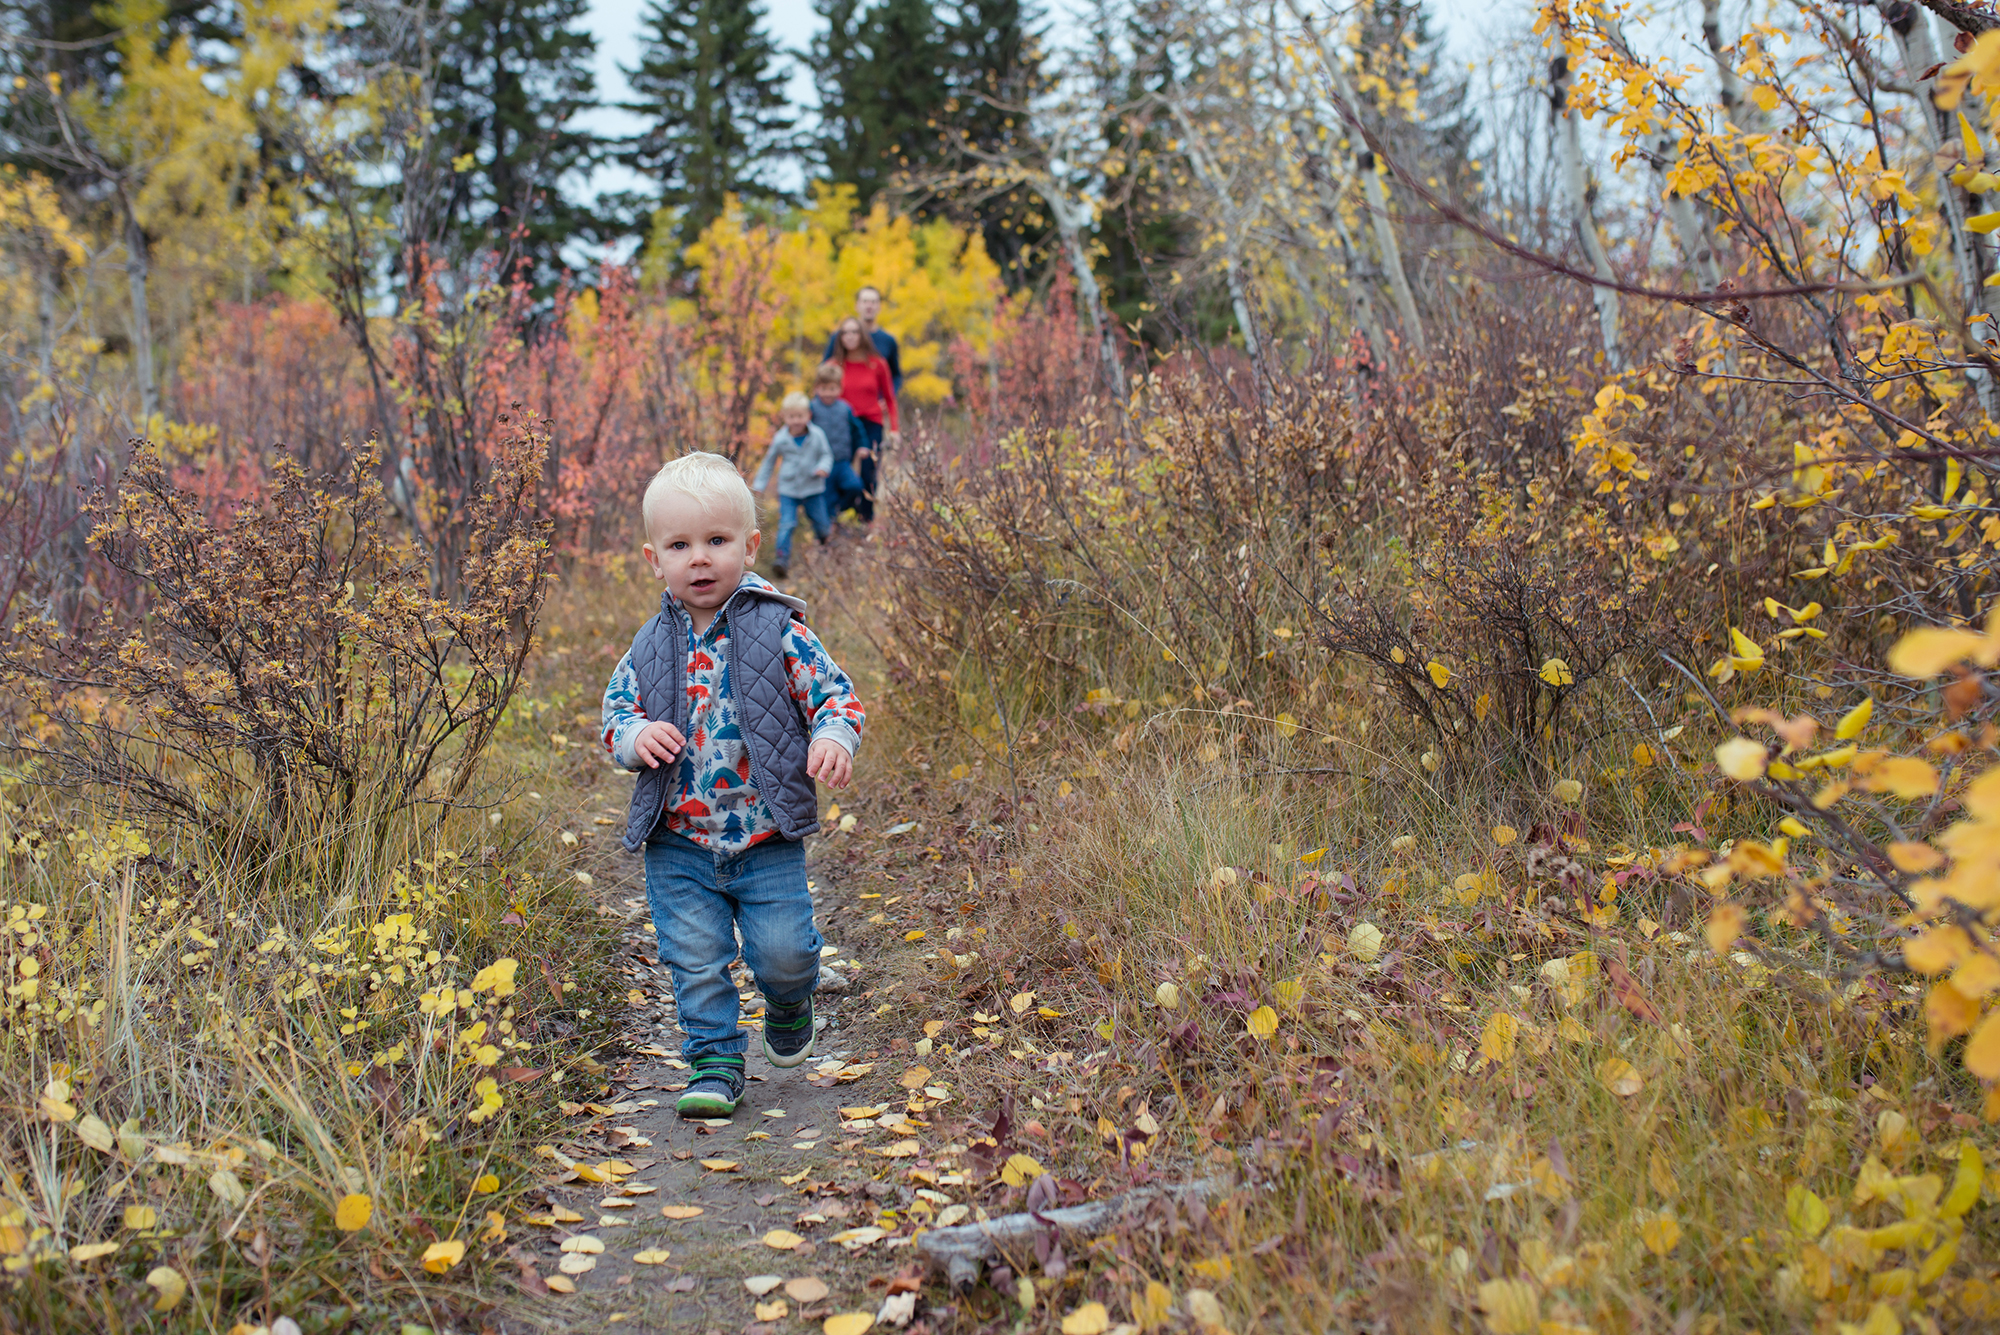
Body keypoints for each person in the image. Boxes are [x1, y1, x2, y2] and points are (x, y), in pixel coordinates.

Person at [601, 452, 864, 1118]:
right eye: (680, 544)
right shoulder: (646, 645)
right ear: (653, 558)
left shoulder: (780, 631)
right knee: (694, 956)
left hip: (765, 834)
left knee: (784, 952)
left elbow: (835, 695)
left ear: (749, 547)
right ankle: (714, 1060)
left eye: (716, 541)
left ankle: (786, 996)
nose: (699, 558)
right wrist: (634, 739)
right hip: (678, 840)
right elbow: (616, 714)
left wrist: (833, 735)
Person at [750, 392, 832, 578]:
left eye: (800, 416)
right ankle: (782, 559)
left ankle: (826, 547)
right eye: (792, 417)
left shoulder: (817, 435)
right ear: (784, 417)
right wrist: (759, 484)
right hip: (789, 490)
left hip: (812, 488)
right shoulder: (781, 438)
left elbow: (827, 455)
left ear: (808, 415)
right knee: (787, 523)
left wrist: (823, 467)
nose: (796, 421)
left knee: (821, 523)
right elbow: (769, 462)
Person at [830, 315, 896, 523]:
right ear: (840, 337)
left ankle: (865, 522)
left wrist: (894, 429)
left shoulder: (878, 364)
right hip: (843, 425)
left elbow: (890, 398)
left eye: (854, 332)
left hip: (871, 423)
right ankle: (835, 519)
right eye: (845, 332)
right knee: (840, 474)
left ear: (862, 335)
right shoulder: (834, 365)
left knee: (869, 475)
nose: (850, 337)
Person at [810, 363, 868, 520]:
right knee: (826, 498)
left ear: (839, 389)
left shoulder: (845, 408)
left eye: (832, 388)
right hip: (822, 463)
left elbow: (858, 429)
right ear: (817, 388)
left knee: (855, 486)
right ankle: (828, 533)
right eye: (824, 388)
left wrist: (863, 446)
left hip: (842, 461)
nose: (828, 393)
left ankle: (839, 509)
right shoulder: (812, 408)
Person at [822, 284, 902, 398]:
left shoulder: (888, 341)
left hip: (874, 408)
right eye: (865, 301)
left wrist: (887, 397)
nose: (869, 306)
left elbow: (896, 376)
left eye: (873, 302)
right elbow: (824, 371)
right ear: (857, 305)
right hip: (843, 405)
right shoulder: (839, 337)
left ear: (879, 306)